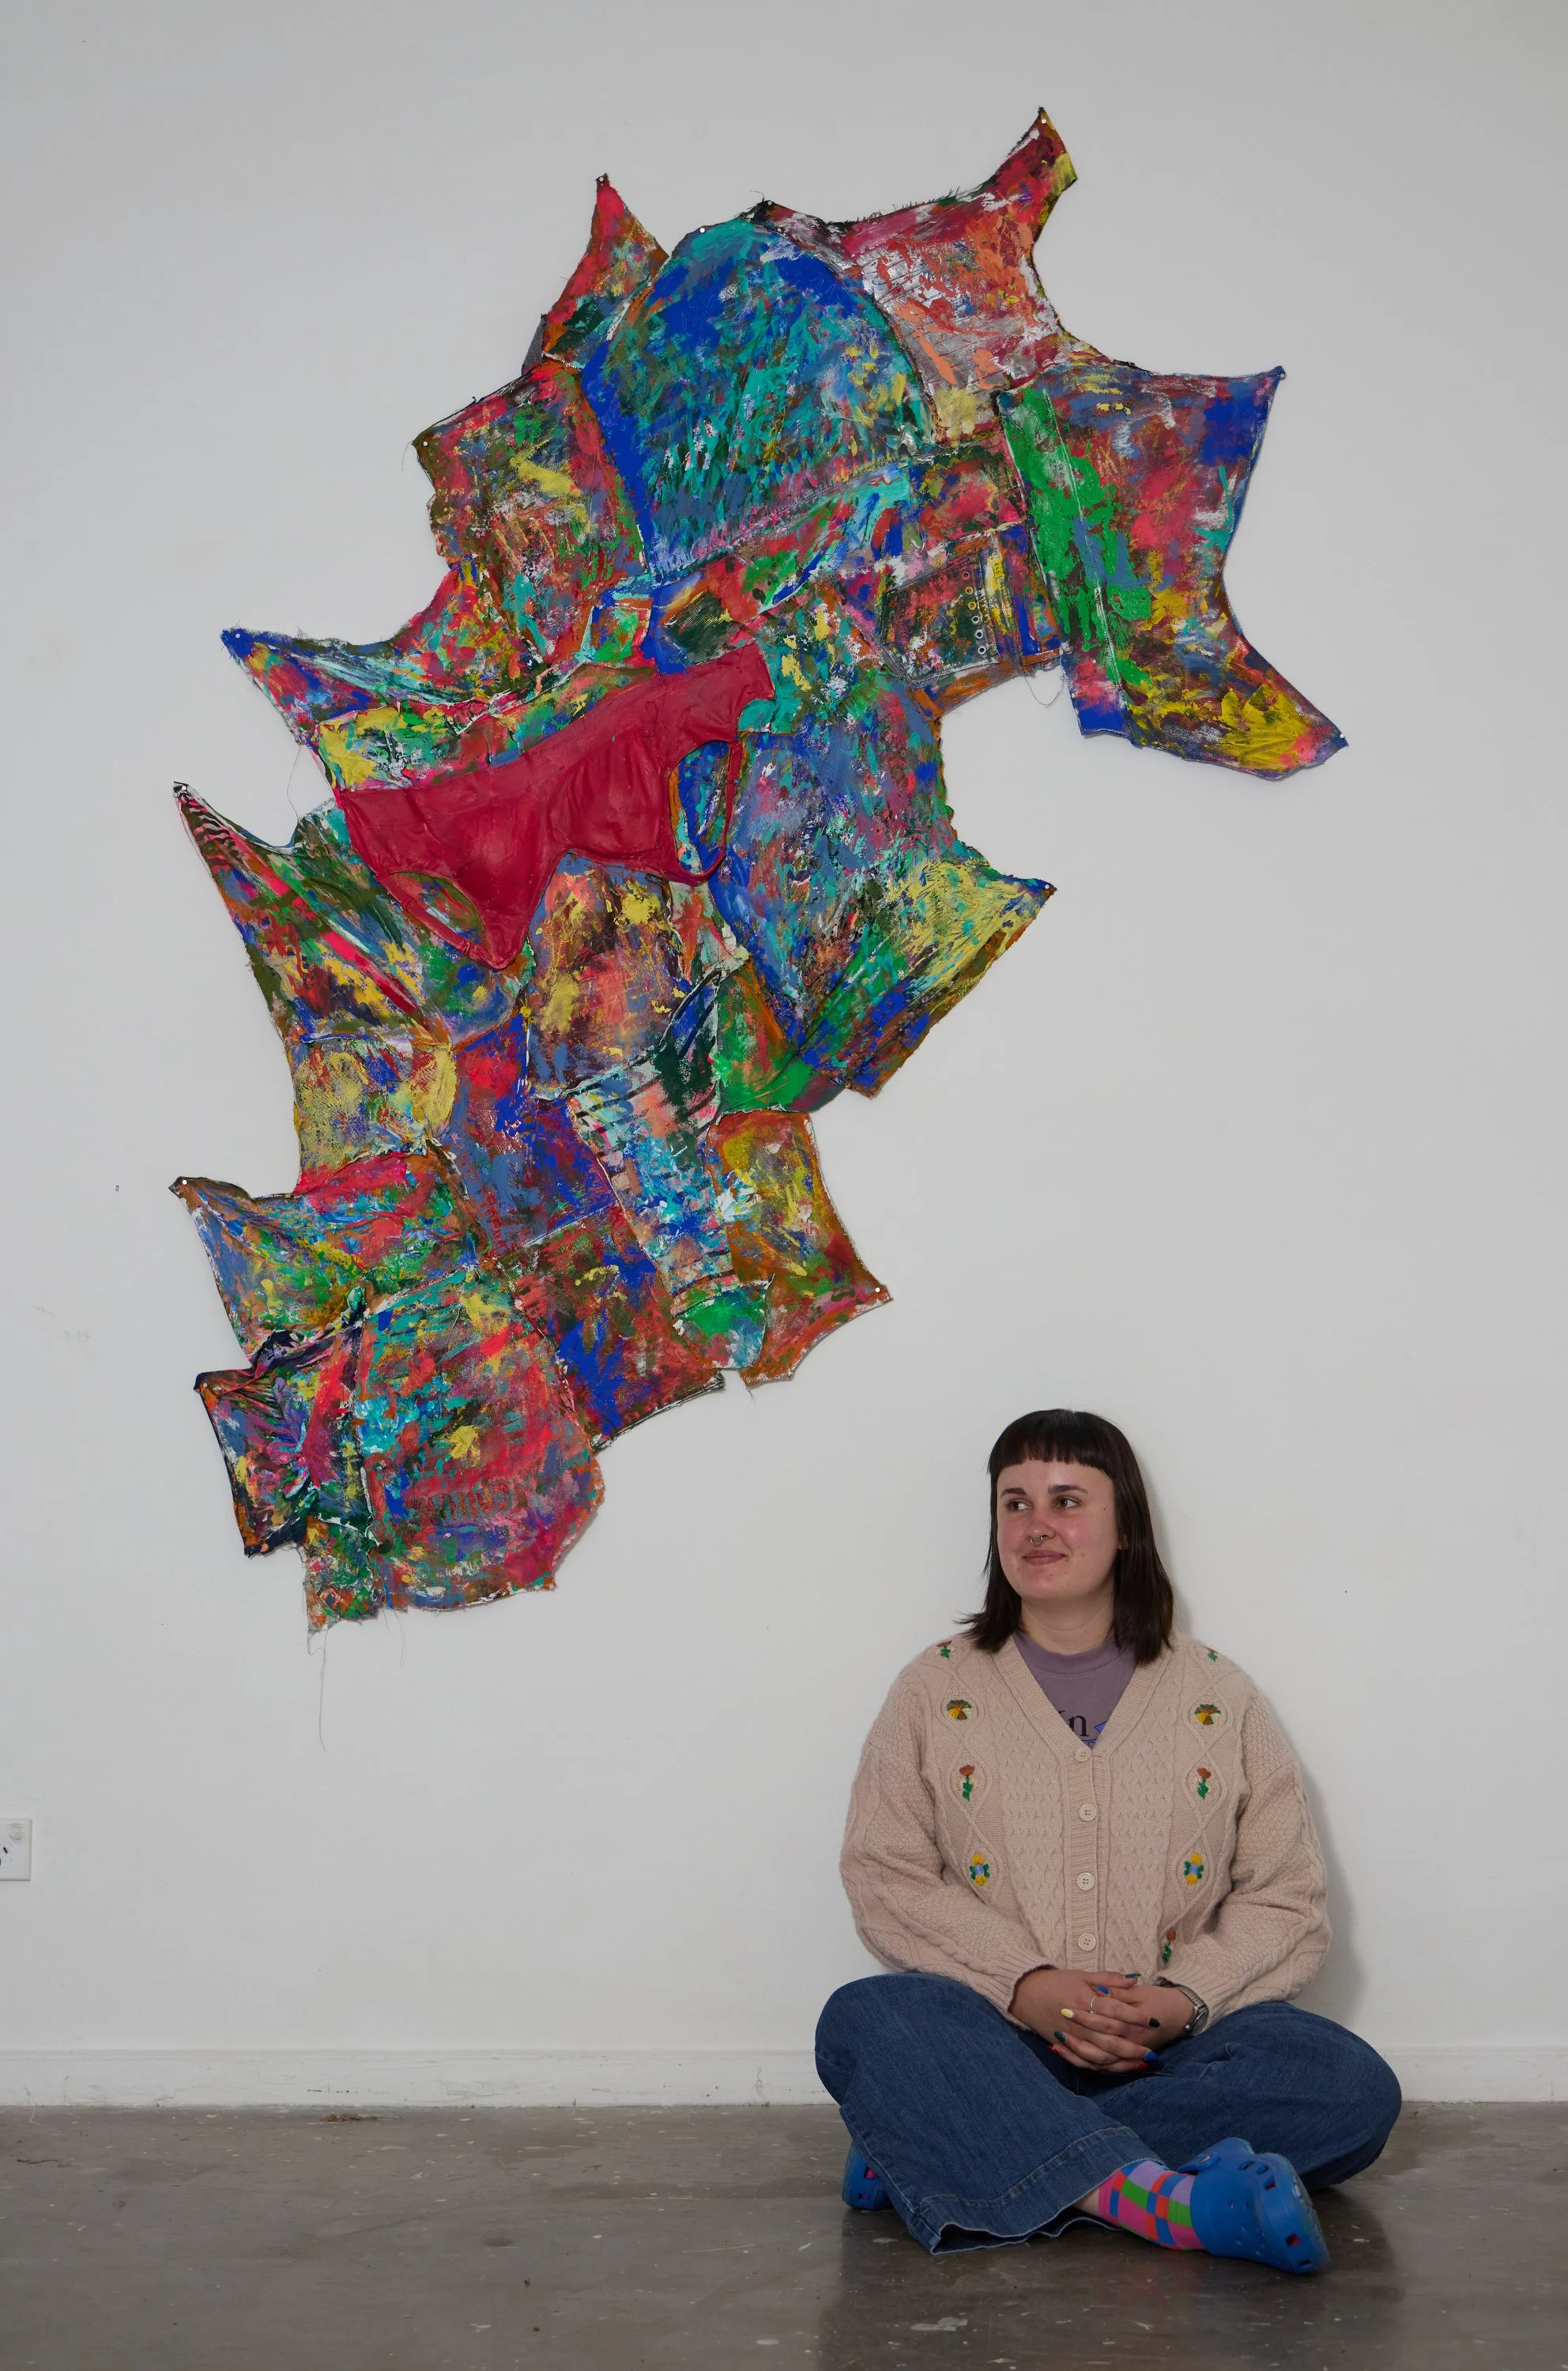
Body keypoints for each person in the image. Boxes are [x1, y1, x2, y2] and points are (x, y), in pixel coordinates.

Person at [816, 1408, 1400, 2270]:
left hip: (1175, 2053)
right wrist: (1028, 1986)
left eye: (1066, 1500)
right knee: (867, 2020)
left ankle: (936, 2142)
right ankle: (1162, 2202)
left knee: (1347, 2088)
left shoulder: (1217, 1694)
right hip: (997, 2037)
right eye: (1013, 1503)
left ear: (1125, 1527)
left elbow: (1284, 1896)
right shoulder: (934, 1690)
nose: (1035, 1525)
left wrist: (1176, 2003)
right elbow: (885, 1872)